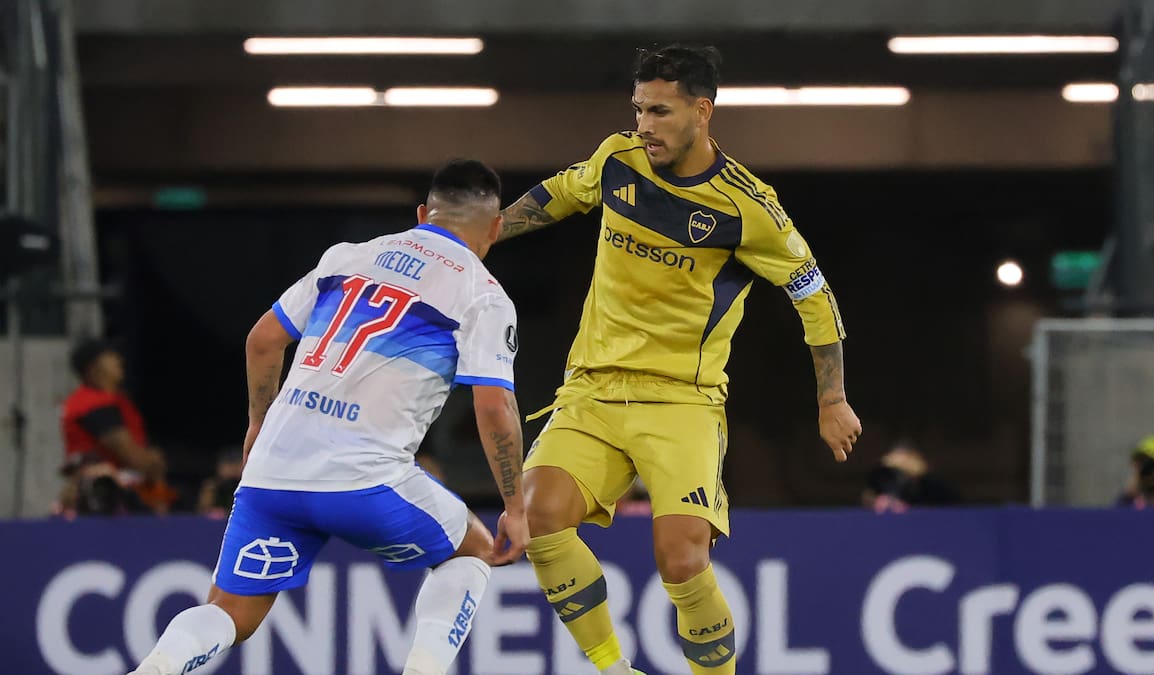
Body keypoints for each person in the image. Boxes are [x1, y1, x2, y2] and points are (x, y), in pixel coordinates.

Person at [499, 44, 862, 675]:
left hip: (682, 400)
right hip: (592, 388)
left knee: (682, 559)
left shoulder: (749, 207)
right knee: (538, 515)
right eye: (639, 109)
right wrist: (485, 233)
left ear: (702, 111)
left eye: (660, 112)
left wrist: (831, 398)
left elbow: (813, 294)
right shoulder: (618, 159)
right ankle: (614, 669)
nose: (644, 125)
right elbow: (560, 193)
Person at [129, 159, 529, 675]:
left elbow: (263, 340)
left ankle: (156, 667)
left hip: (274, 471)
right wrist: (514, 505)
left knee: (230, 613)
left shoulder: (347, 257)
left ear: (422, 214)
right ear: (495, 227)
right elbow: (493, 406)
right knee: (472, 551)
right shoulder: (482, 294)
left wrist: (259, 425)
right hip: (366, 482)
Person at [60, 339, 175, 514]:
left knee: (171, 515)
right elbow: (131, 456)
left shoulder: (119, 401)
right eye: (110, 356)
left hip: (138, 488)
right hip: (102, 497)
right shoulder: (89, 403)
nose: (118, 360)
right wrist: (152, 461)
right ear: (93, 367)